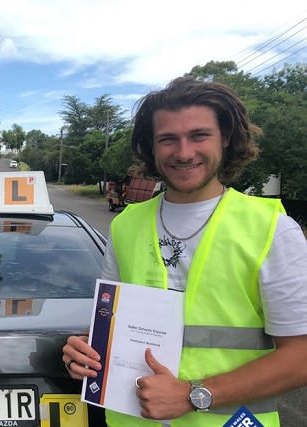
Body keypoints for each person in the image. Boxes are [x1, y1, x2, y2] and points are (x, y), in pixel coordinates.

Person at [62, 76, 307, 426]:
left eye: (198, 135)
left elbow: (301, 357)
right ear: (151, 146)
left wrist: (196, 393)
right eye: (168, 139)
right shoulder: (125, 225)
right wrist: (86, 350)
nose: (184, 152)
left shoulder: (272, 230)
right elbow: (116, 325)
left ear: (225, 137)